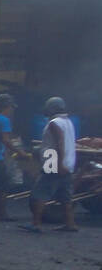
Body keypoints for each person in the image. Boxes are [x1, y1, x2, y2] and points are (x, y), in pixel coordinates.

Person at [26, 96, 77, 233]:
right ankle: (70, 224)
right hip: (67, 162)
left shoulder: (54, 123)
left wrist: (58, 164)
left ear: (52, 109)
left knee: (40, 192)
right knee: (66, 196)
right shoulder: (68, 122)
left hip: (53, 160)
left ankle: (36, 223)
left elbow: (59, 143)